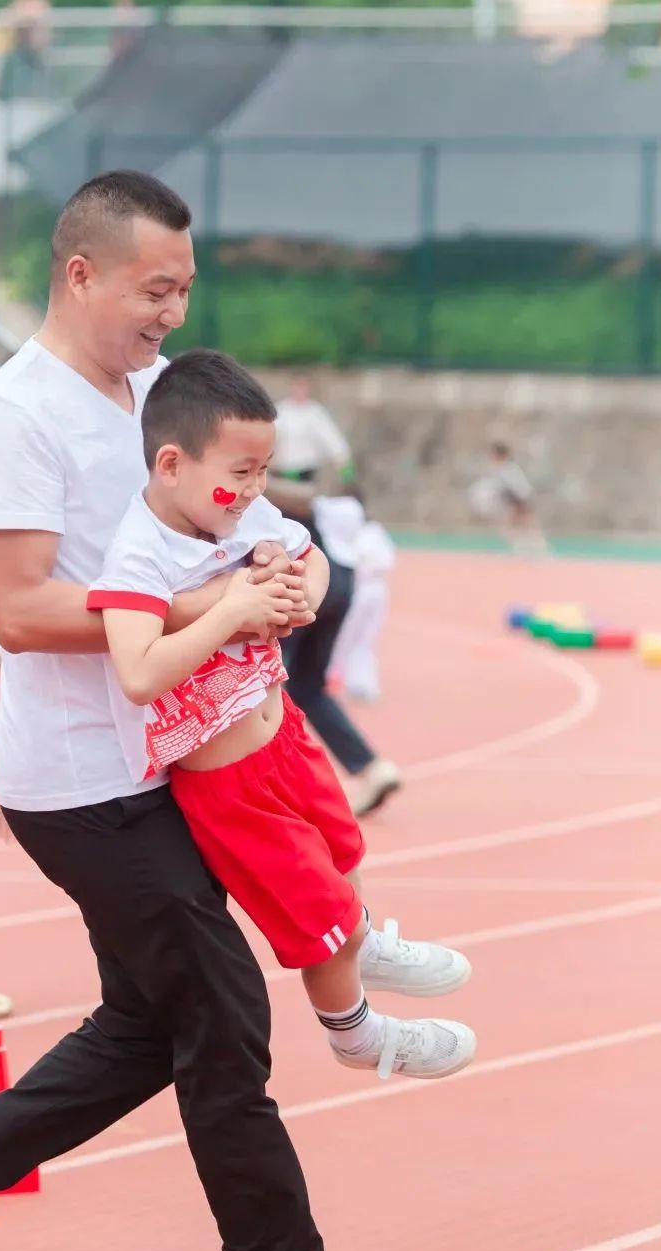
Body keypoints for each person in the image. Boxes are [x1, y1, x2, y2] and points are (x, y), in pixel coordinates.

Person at [0, 171, 455, 1251]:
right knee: (224, 1011)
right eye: (155, 288)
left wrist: (288, 585)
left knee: (153, 1020)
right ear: (81, 273)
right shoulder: (14, 416)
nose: (173, 311)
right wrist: (215, 605)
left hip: (158, 766)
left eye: (186, 288)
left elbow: (268, 530)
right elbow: (21, 608)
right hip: (84, 782)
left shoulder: (155, 398)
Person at [89, 349, 474, 1084]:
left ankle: (361, 941)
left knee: (341, 854)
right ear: (171, 464)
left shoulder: (247, 513)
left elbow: (311, 556)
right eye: (240, 475)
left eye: (263, 472)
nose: (254, 490)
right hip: (229, 782)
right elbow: (137, 671)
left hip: (285, 735)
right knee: (315, 914)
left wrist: (304, 593)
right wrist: (231, 608)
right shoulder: (137, 557)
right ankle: (357, 1032)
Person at [268, 379, 399, 817]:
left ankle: (288, 789)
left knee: (270, 687)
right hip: (340, 586)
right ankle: (369, 766)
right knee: (308, 687)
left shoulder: (283, 498)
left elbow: (313, 480)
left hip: (317, 587)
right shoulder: (319, 501)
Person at [329, 491, 396, 703]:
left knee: (366, 637)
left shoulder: (372, 531)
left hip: (374, 587)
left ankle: (362, 682)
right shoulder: (344, 532)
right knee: (344, 634)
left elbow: (387, 560)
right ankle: (331, 675)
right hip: (357, 586)